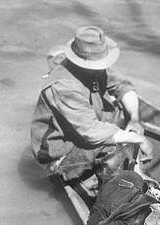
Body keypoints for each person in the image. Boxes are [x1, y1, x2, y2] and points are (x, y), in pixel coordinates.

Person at [30, 25, 152, 195]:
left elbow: (122, 86)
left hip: (84, 132)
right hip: (60, 155)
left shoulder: (95, 69)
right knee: (112, 148)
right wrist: (138, 139)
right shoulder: (64, 86)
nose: (102, 67)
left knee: (123, 114)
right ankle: (106, 194)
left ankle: (119, 174)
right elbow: (91, 132)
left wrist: (134, 119)